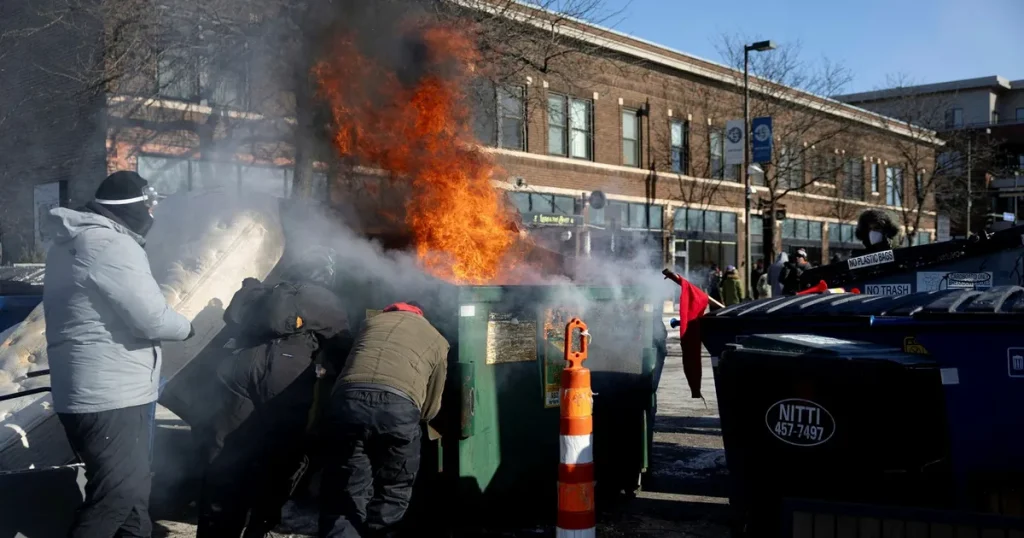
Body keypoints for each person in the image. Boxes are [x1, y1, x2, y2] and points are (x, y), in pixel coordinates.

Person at [43, 171, 193, 538]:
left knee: (132, 495)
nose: (153, 212)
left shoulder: (71, 242)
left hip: (89, 390)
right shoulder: (111, 246)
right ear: (134, 207)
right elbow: (152, 319)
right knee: (116, 495)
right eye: (149, 204)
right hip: (112, 397)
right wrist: (188, 327)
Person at [198, 248, 352, 538]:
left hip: (237, 370)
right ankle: (260, 526)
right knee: (282, 455)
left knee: (226, 451)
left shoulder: (266, 293)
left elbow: (232, 321)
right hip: (285, 378)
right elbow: (342, 345)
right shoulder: (324, 300)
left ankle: (216, 528)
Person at [319, 301, 450, 538]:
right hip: (398, 408)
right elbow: (431, 407)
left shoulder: (370, 323)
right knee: (394, 489)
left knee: (346, 486)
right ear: (421, 314)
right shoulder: (436, 338)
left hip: (347, 403)